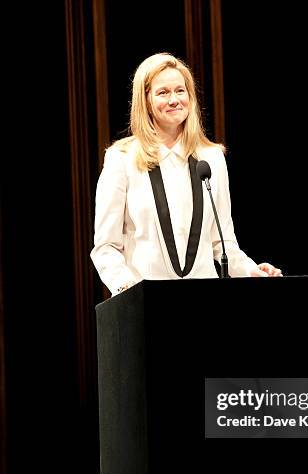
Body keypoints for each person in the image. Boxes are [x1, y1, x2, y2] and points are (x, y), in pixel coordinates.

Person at [90, 52, 282, 296]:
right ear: (145, 100)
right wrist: (127, 289)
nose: (174, 100)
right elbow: (106, 247)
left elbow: (223, 244)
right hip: (145, 308)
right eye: (163, 93)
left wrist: (252, 271)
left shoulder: (211, 158)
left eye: (180, 91)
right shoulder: (122, 159)